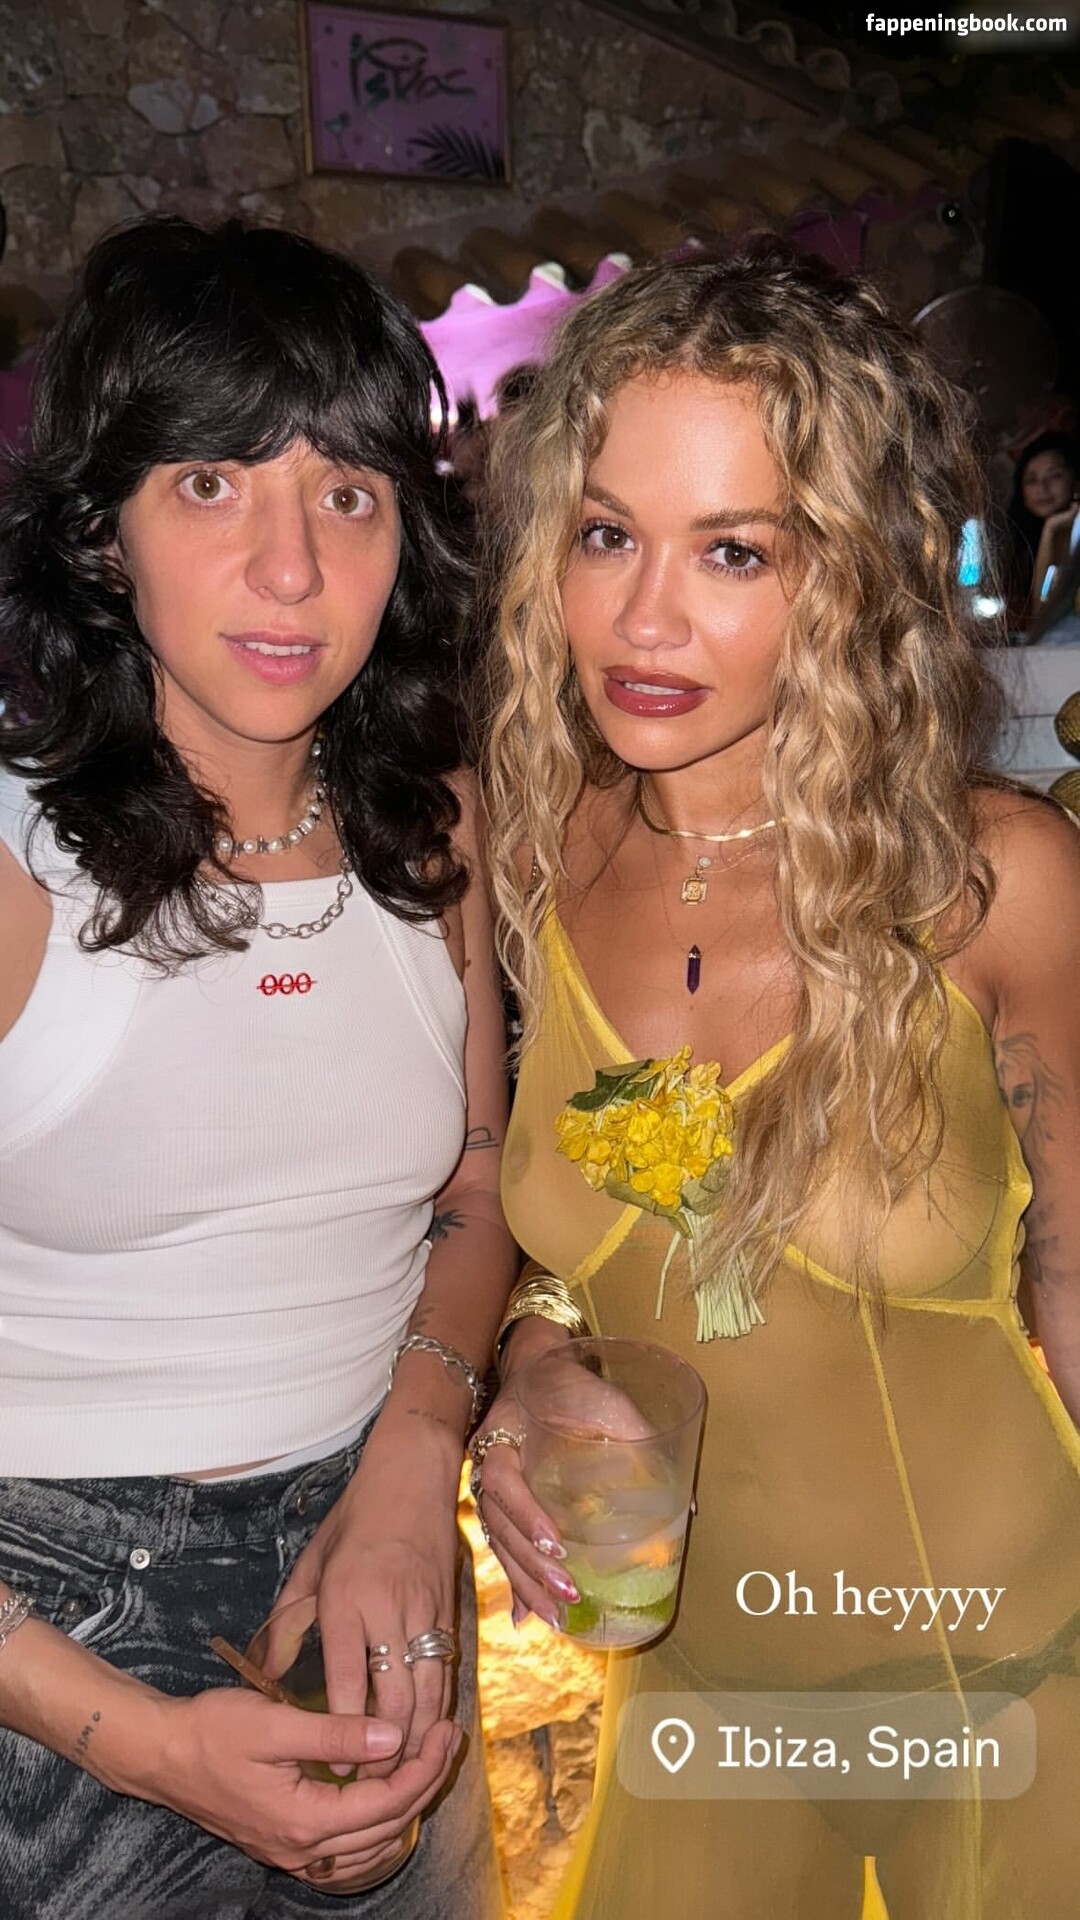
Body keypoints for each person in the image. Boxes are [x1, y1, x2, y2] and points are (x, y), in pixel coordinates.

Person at [473, 238, 1080, 1919]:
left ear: (852, 578)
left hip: (1015, 1685)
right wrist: (531, 1370)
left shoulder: (995, 884)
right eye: (607, 534)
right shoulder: (530, 855)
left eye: (733, 549)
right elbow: (554, 1242)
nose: (644, 618)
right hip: (704, 1705)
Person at [0, 216, 512, 1920]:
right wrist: (143, 1743)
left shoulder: (434, 830)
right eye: (213, 482)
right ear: (104, 532)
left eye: (347, 493)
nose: (293, 571)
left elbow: (476, 1190)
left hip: (379, 1572)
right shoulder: (18, 873)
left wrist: (410, 1467)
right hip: (48, 1630)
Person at [1002, 429, 1080, 629]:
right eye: (1031, 480)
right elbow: (1040, 613)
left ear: (1075, 481)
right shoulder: (1016, 543)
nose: (1042, 488)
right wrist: (1049, 531)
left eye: (1055, 476)